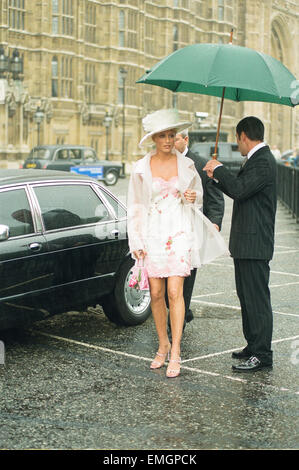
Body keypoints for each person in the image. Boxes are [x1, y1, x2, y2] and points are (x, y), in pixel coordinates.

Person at [127, 108, 227, 378]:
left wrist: (193, 197)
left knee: (175, 293)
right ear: (154, 139)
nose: (169, 140)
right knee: (156, 294)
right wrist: (135, 239)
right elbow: (135, 206)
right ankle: (162, 345)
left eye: (172, 135)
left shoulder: (187, 166)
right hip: (153, 234)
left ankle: (176, 351)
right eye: (163, 136)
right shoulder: (140, 168)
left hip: (180, 231)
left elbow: (199, 200)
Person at [203, 116, 277, 372]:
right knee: (246, 297)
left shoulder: (264, 161)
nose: (238, 144)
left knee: (257, 300)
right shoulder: (256, 160)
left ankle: (262, 355)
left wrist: (219, 168)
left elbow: (240, 189)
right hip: (247, 243)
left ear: (243, 135)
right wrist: (216, 176)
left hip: (255, 244)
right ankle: (253, 345)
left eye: (237, 139)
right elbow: (239, 188)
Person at [167, 129, 224, 330]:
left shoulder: (200, 163)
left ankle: (175, 326)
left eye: (175, 138)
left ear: (186, 139)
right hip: (166, 230)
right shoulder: (162, 161)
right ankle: (184, 310)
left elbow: (214, 196)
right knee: (168, 281)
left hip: (191, 230)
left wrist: (215, 221)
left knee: (186, 277)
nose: (171, 142)